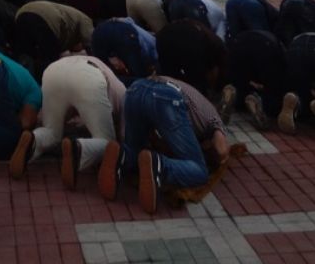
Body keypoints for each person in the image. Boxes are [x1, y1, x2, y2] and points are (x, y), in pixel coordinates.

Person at [100, 73, 233, 213]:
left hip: (135, 89)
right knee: (199, 171)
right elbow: (222, 150)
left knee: (135, 150)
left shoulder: (195, 101)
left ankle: (123, 155)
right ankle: (159, 165)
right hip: (166, 99)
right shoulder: (214, 119)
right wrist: (212, 155)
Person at [9, 52, 123, 181]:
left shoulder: (103, 70)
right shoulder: (122, 92)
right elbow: (125, 133)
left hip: (54, 71)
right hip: (87, 76)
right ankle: (80, 149)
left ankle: (34, 140)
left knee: (52, 131)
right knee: (109, 142)